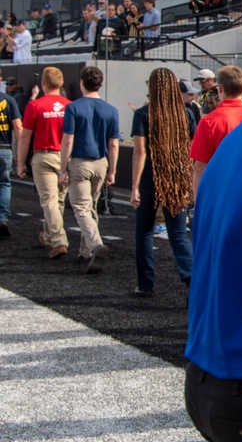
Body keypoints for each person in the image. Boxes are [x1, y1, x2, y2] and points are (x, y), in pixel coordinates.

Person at [130, 68, 194, 296]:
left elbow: (140, 153)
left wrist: (135, 186)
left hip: (150, 177)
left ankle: (146, 284)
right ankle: (191, 278)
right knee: (177, 233)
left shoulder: (142, 114)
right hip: (177, 177)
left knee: (144, 232)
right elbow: (192, 149)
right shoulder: (186, 114)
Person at [59, 66, 119, 274]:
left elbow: (68, 140)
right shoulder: (111, 110)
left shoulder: (74, 108)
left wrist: (62, 168)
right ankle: (85, 251)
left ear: (82, 83)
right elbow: (113, 143)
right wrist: (112, 170)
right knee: (91, 207)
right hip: (100, 163)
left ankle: (94, 245)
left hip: (80, 162)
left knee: (82, 208)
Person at [17, 67, 68, 259]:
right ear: (61, 83)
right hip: (64, 157)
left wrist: (20, 163)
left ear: (43, 84)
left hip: (43, 156)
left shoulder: (35, 106)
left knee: (49, 200)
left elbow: (24, 137)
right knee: (59, 200)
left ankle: (58, 239)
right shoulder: (69, 105)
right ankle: (49, 235)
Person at [190, 65, 242, 203]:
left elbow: (200, 168)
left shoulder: (209, 122)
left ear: (220, 88)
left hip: (220, 196)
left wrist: (199, 203)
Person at [0, 81, 22, 238]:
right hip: (4, 148)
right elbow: (18, 127)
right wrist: (20, 153)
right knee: (4, 184)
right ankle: (2, 218)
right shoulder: (9, 100)